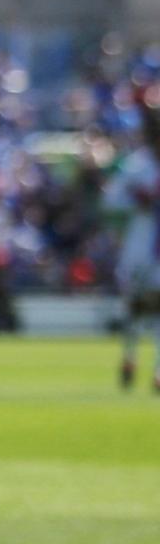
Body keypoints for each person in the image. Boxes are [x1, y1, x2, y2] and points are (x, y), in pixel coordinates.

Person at [103, 105, 160, 392]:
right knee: (135, 305)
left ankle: (159, 371)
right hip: (141, 242)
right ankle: (129, 356)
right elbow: (112, 200)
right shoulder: (137, 165)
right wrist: (138, 200)